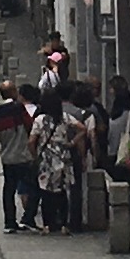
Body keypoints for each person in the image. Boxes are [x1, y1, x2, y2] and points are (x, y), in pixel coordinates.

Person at [0, 78, 39, 231]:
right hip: (23, 155)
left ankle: (9, 222)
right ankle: (28, 218)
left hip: (7, 156)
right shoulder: (18, 108)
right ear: (13, 92)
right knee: (34, 187)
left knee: (9, 189)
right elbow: (30, 125)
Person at [34, 98, 80, 234]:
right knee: (62, 191)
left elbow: (31, 140)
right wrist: (72, 143)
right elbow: (82, 129)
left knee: (46, 192)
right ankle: (64, 225)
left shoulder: (40, 120)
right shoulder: (65, 118)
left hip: (46, 160)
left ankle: (47, 225)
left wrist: (35, 155)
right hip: (63, 158)